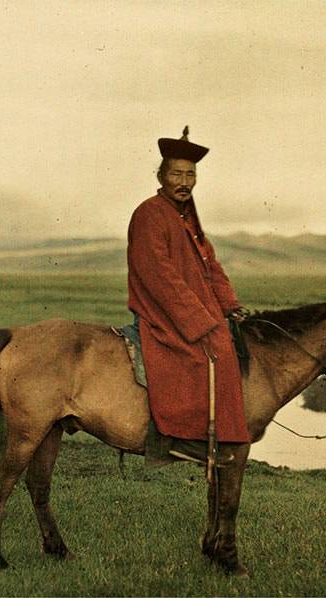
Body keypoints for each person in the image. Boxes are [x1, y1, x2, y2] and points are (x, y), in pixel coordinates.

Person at [127, 126, 250, 463]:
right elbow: (159, 276)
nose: (184, 181)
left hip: (191, 309)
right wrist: (200, 320)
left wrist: (230, 305)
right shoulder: (150, 213)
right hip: (162, 310)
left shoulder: (188, 220)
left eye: (190, 174)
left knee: (227, 340)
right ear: (161, 176)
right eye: (176, 174)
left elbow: (212, 267)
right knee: (214, 350)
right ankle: (181, 439)